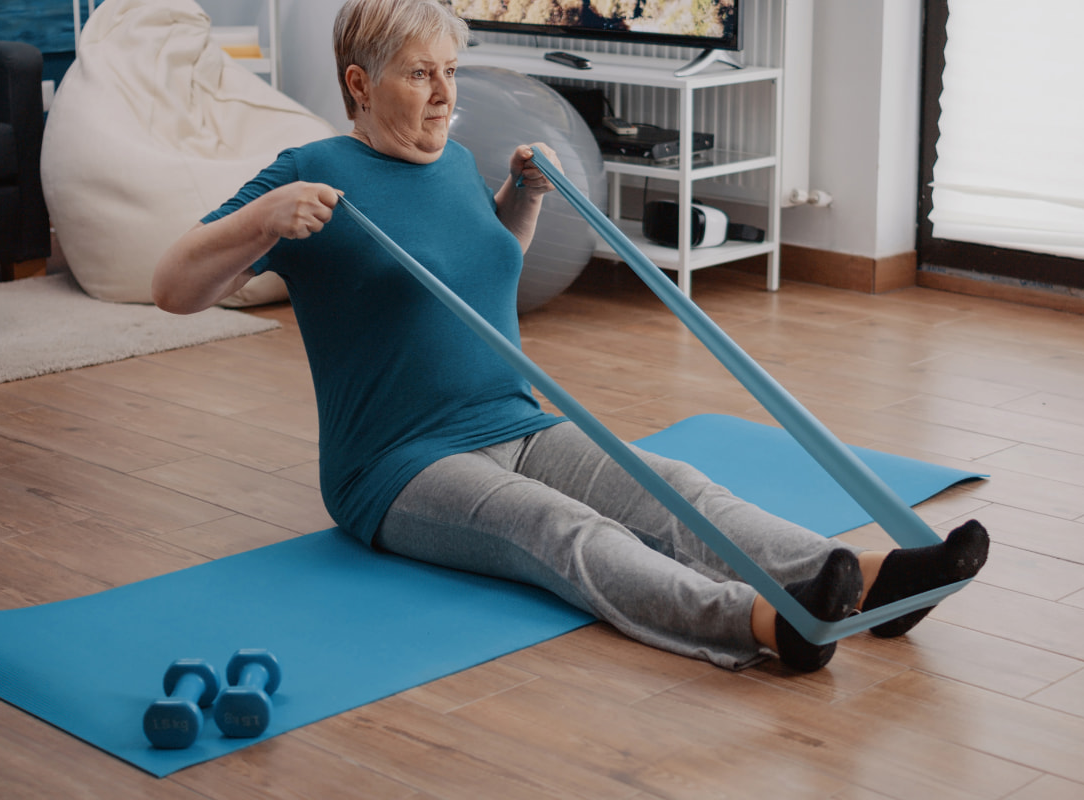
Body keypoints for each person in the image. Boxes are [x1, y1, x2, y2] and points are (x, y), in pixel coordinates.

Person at [153, 0, 989, 672]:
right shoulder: (310, 171)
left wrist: (522, 201)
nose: (446, 95)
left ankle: (868, 581)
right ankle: (764, 625)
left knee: (677, 488)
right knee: (562, 532)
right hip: (398, 465)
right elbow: (172, 289)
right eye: (421, 75)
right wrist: (260, 220)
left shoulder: (448, 161)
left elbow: (480, 281)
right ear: (360, 83)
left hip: (515, 420)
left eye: (450, 71)